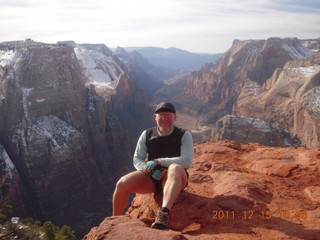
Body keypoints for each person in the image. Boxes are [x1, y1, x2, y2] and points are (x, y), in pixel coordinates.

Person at [112, 102, 194, 229]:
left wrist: (159, 162)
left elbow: (187, 160)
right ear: (155, 117)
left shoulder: (184, 135)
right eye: (161, 115)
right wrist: (149, 170)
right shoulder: (147, 134)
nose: (165, 119)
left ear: (175, 117)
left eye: (168, 115)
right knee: (122, 184)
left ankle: (163, 214)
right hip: (153, 178)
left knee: (175, 167)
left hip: (175, 178)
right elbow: (137, 158)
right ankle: (114, 221)